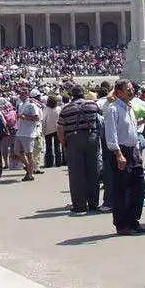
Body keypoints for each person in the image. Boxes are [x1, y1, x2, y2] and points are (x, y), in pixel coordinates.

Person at [105, 79, 145, 235]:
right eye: (128, 89)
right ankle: (121, 224)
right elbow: (111, 134)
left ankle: (133, 220)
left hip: (133, 150)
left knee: (139, 188)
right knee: (121, 190)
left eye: (132, 89)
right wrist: (118, 154)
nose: (131, 91)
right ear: (119, 92)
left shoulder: (130, 107)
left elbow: (133, 130)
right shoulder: (113, 109)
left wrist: (136, 151)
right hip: (120, 152)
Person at [56, 85, 100, 215]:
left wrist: (64, 143)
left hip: (73, 139)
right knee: (93, 171)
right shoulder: (92, 105)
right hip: (91, 137)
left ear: (72, 96)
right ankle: (93, 203)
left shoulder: (66, 109)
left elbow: (60, 128)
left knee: (76, 174)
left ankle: (79, 205)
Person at [15, 90, 41, 181]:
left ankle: (30, 174)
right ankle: (29, 167)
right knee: (16, 152)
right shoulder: (21, 104)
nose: (21, 95)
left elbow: (36, 117)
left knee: (29, 154)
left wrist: (24, 117)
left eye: (23, 93)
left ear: (27, 94)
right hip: (20, 131)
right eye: (20, 94)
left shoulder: (31, 105)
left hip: (28, 133)